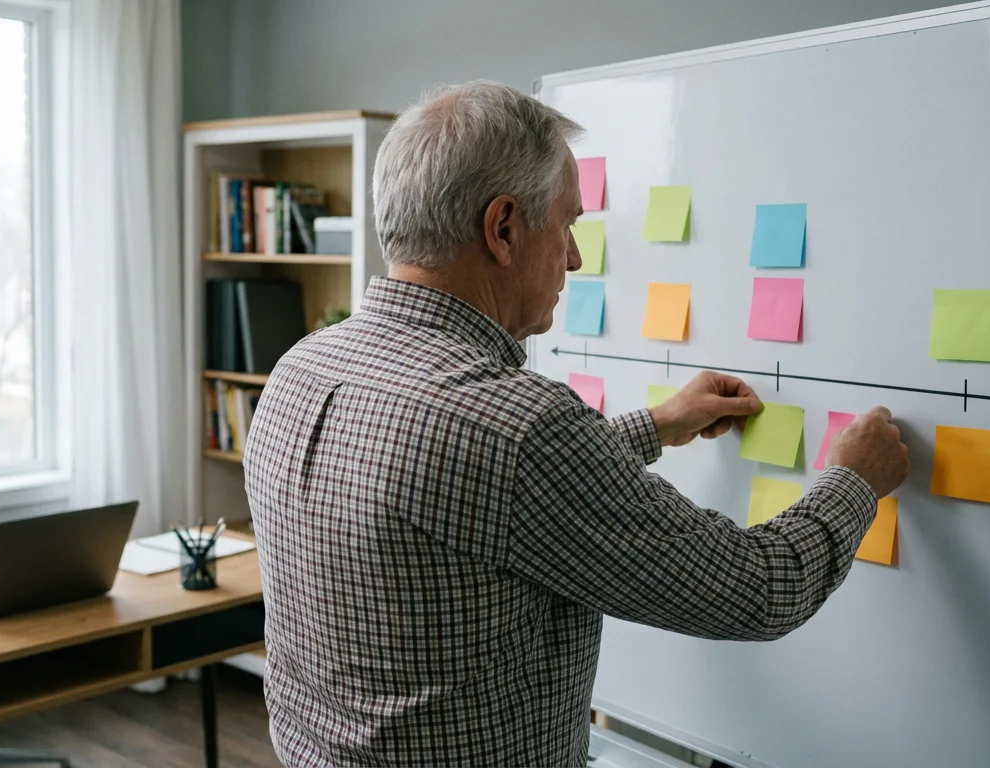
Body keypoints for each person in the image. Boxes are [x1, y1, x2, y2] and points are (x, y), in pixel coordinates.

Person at [244, 80, 910, 767]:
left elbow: (455, 498)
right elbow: (757, 588)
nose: (574, 258)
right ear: (502, 229)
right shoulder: (515, 429)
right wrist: (854, 477)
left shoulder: (301, 369)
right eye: (567, 223)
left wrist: (655, 425)